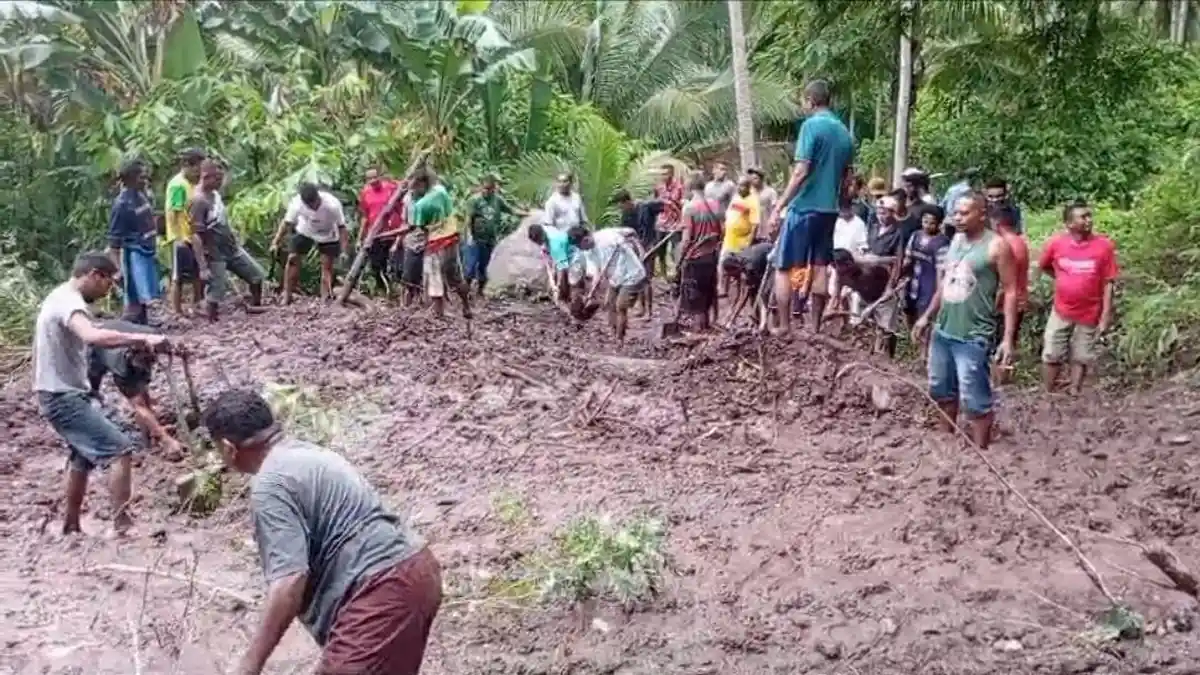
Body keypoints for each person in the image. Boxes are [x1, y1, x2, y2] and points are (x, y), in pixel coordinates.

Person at [201, 389, 441, 675]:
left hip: (382, 587)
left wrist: (249, 665)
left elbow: (289, 581)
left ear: (228, 448)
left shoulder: (270, 484)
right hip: (415, 568)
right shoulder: (306, 453)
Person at [33, 252, 170, 535]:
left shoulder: (60, 297)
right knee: (120, 450)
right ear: (95, 275)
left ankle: (71, 525)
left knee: (81, 457)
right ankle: (123, 526)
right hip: (62, 396)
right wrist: (143, 337)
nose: (109, 291)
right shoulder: (70, 302)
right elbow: (92, 336)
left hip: (62, 392)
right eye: (109, 283)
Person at [912, 194, 1019, 449]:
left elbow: (1011, 291)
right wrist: (927, 316)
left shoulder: (997, 247)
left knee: (975, 398)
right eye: (956, 213)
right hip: (944, 329)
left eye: (964, 213)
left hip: (973, 334)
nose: (957, 218)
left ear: (981, 214)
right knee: (941, 389)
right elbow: (946, 282)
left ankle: (981, 451)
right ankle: (947, 443)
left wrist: (1007, 339)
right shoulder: (956, 241)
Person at [767, 79, 854, 335]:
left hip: (804, 206)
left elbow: (801, 171)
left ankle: (784, 325)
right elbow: (848, 178)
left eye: (803, 101)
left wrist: (779, 206)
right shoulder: (844, 133)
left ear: (811, 100)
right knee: (820, 267)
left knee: (784, 267)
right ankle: (815, 328)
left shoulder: (811, 126)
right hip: (829, 210)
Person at [1037, 200, 1118, 394]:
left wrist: (1105, 315)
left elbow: (1108, 282)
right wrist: (1062, 278)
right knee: (1052, 351)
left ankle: (1074, 390)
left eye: (1089, 216)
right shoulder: (1057, 244)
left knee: (1082, 354)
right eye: (1083, 217)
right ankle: (1048, 391)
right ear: (1069, 223)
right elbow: (1044, 265)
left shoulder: (1104, 246)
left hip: (1090, 310)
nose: (1088, 220)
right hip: (1062, 309)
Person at [88, 318, 185, 461]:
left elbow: (167, 344)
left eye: (149, 359)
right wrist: (166, 439)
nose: (148, 364)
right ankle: (156, 438)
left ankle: (150, 436)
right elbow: (139, 406)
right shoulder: (119, 364)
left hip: (123, 338)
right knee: (139, 403)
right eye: (143, 361)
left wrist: (177, 351)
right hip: (106, 356)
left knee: (144, 393)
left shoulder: (153, 336)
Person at [189, 160, 268, 321]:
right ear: (206, 177)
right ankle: (212, 320)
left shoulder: (215, 194)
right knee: (216, 291)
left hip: (231, 247)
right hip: (215, 252)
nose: (220, 183)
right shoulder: (199, 201)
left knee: (256, 275)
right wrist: (203, 266)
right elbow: (196, 235)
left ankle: (255, 306)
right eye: (217, 179)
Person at [408, 169, 470, 320]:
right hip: (452, 238)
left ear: (421, 184)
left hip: (436, 243)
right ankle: (466, 306)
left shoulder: (421, 205)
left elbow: (420, 228)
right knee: (456, 277)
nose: (413, 191)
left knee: (434, 278)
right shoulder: (441, 190)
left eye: (415, 187)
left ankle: (439, 312)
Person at [271, 183, 348, 304]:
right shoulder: (297, 204)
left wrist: (344, 251)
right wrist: (275, 242)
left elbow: (342, 227)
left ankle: (324, 299)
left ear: (318, 197)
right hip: (305, 230)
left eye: (315, 203)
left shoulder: (332, 204)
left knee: (326, 266)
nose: (313, 207)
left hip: (328, 233)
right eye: (309, 205)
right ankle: (287, 295)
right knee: (292, 259)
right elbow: (286, 223)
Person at [568, 226, 647, 341]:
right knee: (609, 304)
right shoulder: (588, 252)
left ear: (585, 239)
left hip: (632, 274)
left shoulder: (608, 236)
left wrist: (638, 248)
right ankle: (614, 333)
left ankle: (620, 339)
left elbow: (631, 231)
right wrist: (592, 292)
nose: (582, 249)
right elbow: (597, 272)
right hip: (615, 277)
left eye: (580, 246)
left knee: (620, 306)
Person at [107, 158, 162, 325]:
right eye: (141, 177)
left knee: (147, 290)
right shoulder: (122, 204)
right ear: (130, 179)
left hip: (148, 249)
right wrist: (117, 270)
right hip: (134, 252)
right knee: (139, 292)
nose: (145, 180)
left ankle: (143, 321)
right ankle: (134, 323)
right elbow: (114, 242)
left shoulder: (142, 195)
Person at [829, 248, 903, 357]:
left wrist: (890, 286)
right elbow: (836, 296)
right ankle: (866, 354)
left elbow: (895, 261)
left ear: (848, 263)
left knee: (886, 331)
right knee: (860, 327)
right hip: (864, 298)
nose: (835, 269)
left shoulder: (869, 263)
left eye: (837, 266)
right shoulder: (840, 274)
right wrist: (832, 308)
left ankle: (887, 357)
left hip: (884, 298)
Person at [465, 174, 526, 298]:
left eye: (489, 189)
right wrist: (469, 235)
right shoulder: (474, 200)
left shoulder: (497, 200)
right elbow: (468, 219)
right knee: (471, 265)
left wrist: (527, 214)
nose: (486, 191)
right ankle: (465, 292)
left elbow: (511, 210)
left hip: (490, 238)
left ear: (493, 189)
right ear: (481, 187)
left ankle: (480, 291)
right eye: (484, 188)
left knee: (485, 265)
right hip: (476, 238)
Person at [902, 203, 951, 354]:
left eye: (932, 223)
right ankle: (914, 348)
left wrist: (938, 294)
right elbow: (907, 259)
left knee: (925, 321)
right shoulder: (915, 236)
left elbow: (941, 272)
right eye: (925, 221)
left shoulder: (942, 244)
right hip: (912, 284)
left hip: (929, 287)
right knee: (909, 314)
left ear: (939, 224)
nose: (927, 226)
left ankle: (924, 354)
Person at [678, 172, 724, 331]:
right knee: (708, 291)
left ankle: (699, 330)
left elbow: (686, 240)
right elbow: (722, 230)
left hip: (695, 257)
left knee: (696, 297)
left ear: (689, 186)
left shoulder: (689, 208)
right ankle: (708, 325)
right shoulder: (715, 204)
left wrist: (680, 259)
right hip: (712, 255)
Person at [165, 148, 207, 316]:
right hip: (181, 237)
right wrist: (178, 237)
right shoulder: (178, 185)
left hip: (192, 235)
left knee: (197, 273)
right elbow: (173, 213)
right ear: (187, 165)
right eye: (197, 168)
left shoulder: (192, 184)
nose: (199, 172)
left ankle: (196, 304)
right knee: (178, 277)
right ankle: (176, 311)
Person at [357, 167, 406, 296]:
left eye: (375, 177)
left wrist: (402, 230)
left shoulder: (391, 187)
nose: (373, 180)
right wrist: (360, 237)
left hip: (393, 232)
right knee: (377, 266)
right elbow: (365, 216)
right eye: (370, 178)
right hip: (375, 234)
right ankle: (384, 292)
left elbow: (401, 207)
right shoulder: (365, 193)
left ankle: (400, 292)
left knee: (398, 265)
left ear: (380, 176)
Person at [990, 203, 1029, 359]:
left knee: (998, 348)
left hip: (1005, 305)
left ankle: (997, 372)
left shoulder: (1005, 245)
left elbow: (1004, 283)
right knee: (1007, 344)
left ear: (996, 223)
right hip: (1018, 300)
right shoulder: (1019, 242)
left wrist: (992, 305)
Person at [615, 190, 663, 316]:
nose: (622, 209)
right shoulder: (625, 214)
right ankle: (642, 308)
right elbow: (624, 232)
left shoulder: (645, 207)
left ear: (627, 201)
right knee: (639, 277)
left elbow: (665, 205)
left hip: (649, 246)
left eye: (622, 206)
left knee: (647, 279)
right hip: (635, 248)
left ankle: (649, 311)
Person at [719, 176, 759, 297]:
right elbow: (729, 215)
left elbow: (755, 224)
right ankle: (723, 289)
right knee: (723, 263)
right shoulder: (735, 198)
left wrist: (749, 242)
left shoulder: (752, 201)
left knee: (740, 269)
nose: (740, 188)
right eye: (739, 185)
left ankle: (741, 294)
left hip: (742, 241)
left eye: (743, 186)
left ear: (748, 187)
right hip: (729, 238)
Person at [722, 241, 774, 328]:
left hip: (772, 257)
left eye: (732, 275)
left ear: (736, 269)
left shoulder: (749, 267)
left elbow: (744, 296)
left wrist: (732, 319)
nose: (732, 278)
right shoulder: (739, 258)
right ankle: (758, 321)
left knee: (763, 294)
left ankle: (764, 324)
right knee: (753, 292)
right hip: (762, 257)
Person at [653, 164, 685, 276]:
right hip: (661, 223)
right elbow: (655, 202)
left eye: (666, 174)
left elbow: (683, 203)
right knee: (660, 251)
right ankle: (663, 275)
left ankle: (678, 274)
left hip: (675, 224)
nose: (663, 176)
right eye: (662, 174)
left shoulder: (679, 187)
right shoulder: (658, 187)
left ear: (672, 174)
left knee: (676, 250)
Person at [747, 167, 777, 243]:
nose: (752, 181)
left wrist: (773, 226)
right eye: (751, 179)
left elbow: (775, 210)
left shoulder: (770, 192)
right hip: (752, 232)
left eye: (755, 178)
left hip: (767, 232)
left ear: (761, 179)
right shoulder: (749, 193)